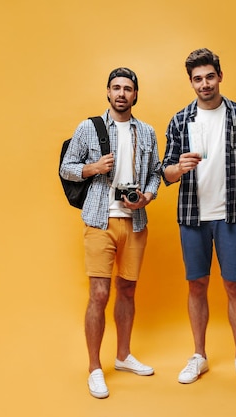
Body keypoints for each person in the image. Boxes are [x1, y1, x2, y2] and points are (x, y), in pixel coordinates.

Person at [161, 48, 236, 388]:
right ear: (191, 82)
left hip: (230, 215)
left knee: (234, 286)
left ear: (220, 76)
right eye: (197, 79)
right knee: (196, 285)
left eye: (209, 77)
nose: (204, 84)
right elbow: (165, 171)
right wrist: (177, 168)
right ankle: (199, 355)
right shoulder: (180, 120)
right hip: (192, 216)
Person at [60, 67, 161, 399]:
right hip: (99, 220)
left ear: (135, 95)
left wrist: (147, 196)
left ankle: (123, 356)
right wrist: (92, 168)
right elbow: (67, 167)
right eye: (116, 88)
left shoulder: (146, 132)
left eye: (128, 88)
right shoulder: (89, 128)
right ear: (107, 92)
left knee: (128, 291)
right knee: (99, 296)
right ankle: (94, 368)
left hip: (135, 222)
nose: (121, 93)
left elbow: (155, 173)